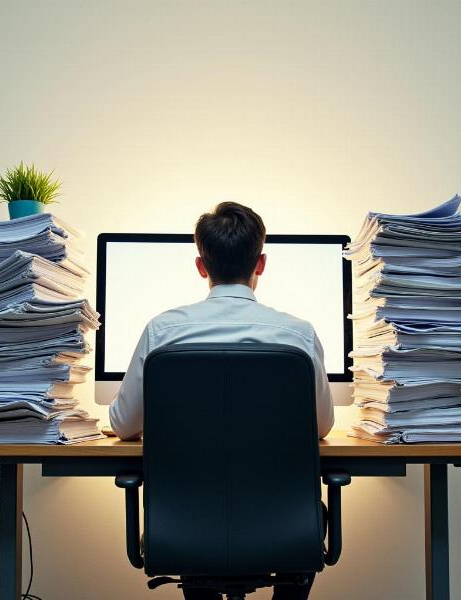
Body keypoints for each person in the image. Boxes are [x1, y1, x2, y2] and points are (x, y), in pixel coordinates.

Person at [109, 201, 334, 600]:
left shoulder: (163, 330)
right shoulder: (298, 334)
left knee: (198, 517)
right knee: (311, 511)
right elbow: (321, 426)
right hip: (282, 524)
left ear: (201, 266)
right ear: (261, 263)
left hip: (185, 523)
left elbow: (124, 425)